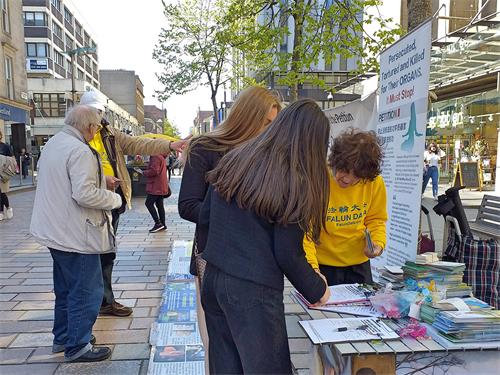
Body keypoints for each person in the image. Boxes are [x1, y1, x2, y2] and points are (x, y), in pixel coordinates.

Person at [200, 99, 331, 374]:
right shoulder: (295, 179)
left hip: (214, 278)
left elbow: (207, 217)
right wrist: (317, 289)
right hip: (252, 290)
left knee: (226, 367)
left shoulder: (237, 158)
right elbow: (288, 252)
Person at [178, 85, 281, 371]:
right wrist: (231, 217)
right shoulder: (206, 148)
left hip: (255, 263)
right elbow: (187, 205)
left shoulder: (267, 153)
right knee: (219, 345)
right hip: (213, 258)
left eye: (274, 125)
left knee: (256, 350)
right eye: (265, 122)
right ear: (247, 116)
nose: (268, 130)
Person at [80, 90, 186, 317]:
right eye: (94, 112)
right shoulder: (75, 137)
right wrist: (102, 180)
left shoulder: (109, 133)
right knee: (89, 255)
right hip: (87, 204)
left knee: (107, 251)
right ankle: (91, 303)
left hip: (111, 201)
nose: (98, 117)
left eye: (100, 112)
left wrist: (169, 145)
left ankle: (104, 301)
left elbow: (139, 143)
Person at [30, 105, 122, 362]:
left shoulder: (55, 143)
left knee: (65, 288)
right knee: (87, 289)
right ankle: (78, 345)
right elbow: (84, 194)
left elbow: (65, 180)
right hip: (74, 234)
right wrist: (114, 199)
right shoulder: (80, 150)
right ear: (90, 127)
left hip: (54, 230)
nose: (96, 132)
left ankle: (63, 337)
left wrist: (101, 180)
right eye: (96, 127)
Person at [304, 129, 387, 286]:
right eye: (343, 170)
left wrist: (377, 244)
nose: (347, 179)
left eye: (356, 176)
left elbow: (376, 219)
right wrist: (312, 270)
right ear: (334, 161)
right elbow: (305, 231)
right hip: (322, 263)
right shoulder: (317, 180)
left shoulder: (374, 183)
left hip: (359, 265)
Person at [136, 153, 170, 233]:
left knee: (149, 203)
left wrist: (142, 172)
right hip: (160, 185)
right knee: (159, 205)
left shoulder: (155, 156)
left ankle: (158, 223)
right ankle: (163, 224)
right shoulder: (160, 156)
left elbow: (154, 171)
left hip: (155, 185)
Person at [0, 130, 13, 221]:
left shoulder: (5, 147)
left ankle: (7, 208)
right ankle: (1, 212)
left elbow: (11, 159)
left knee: (1, 192)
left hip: (3, 173)